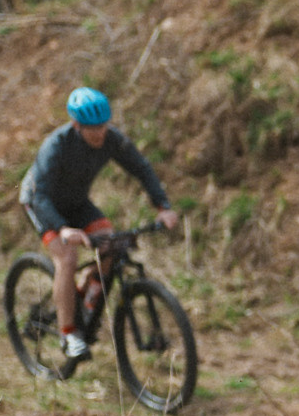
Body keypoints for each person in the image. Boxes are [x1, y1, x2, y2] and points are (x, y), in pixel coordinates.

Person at [20, 86, 180, 363]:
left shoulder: (111, 140)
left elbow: (141, 168)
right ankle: (69, 333)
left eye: (103, 126)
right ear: (76, 124)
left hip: (77, 203)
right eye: (92, 128)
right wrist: (62, 229)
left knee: (111, 246)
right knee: (67, 259)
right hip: (41, 204)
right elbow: (41, 194)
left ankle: (82, 298)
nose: (99, 133)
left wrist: (163, 207)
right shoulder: (56, 145)